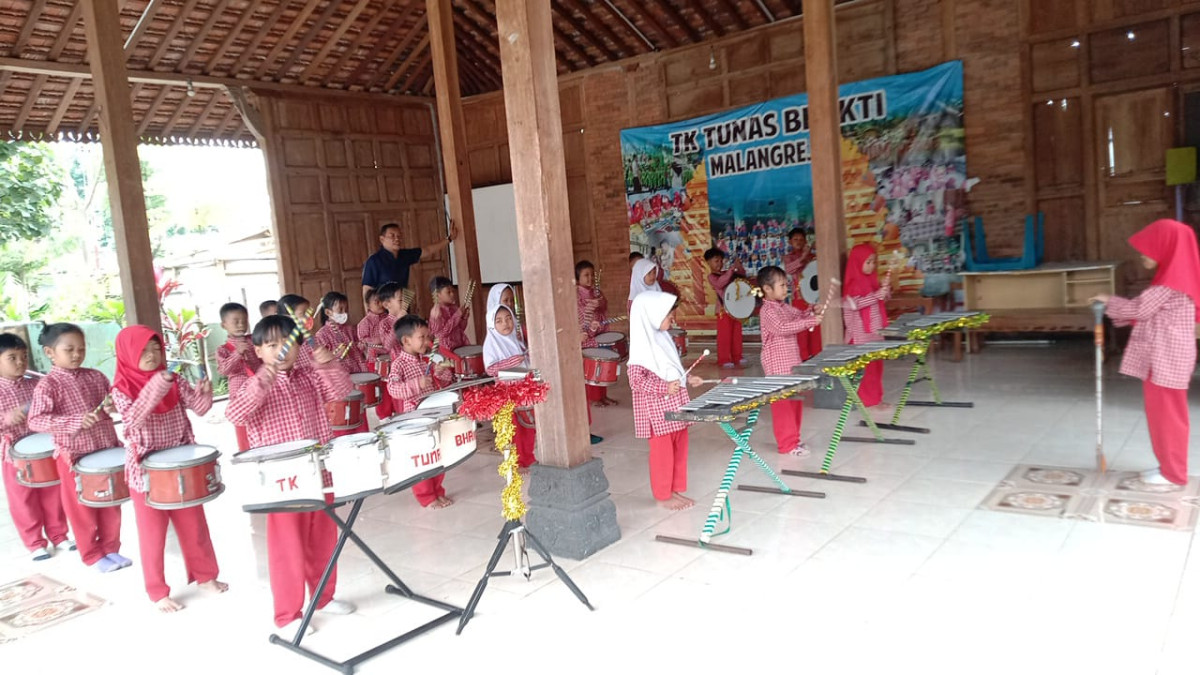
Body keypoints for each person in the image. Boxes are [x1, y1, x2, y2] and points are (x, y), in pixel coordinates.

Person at [225, 315, 356, 637]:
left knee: (323, 538)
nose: (282, 350)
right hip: (282, 479)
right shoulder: (248, 381)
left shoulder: (308, 374)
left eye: (288, 343)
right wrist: (265, 377)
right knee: (288, 548)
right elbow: (236, 413)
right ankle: (287, 614)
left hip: (317, 469)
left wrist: (328, 365)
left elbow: (343, 390)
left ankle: (323, 598)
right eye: (272, 345)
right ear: (258, 351)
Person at [111, 326, 227, 612]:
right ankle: (157, 591)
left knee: (194, 525)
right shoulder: (120, 388)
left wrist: (204, 393)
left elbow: (198, 409)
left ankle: (205, 577)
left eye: (156, 349)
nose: (151, 356)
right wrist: (157, 385)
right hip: (146, 472)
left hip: (182, 466)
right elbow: (133, 420)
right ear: (128, 354)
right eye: (143, 351)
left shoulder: (172, 379)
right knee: (152, 534)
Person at [1091, 219, 1200, 487]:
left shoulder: (1170, 285)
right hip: (1163, 360)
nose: (1141, 254)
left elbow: (1138, 310)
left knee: (1168, 417)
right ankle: (1167, 466)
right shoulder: (1173, 280)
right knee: (1161, 415)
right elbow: (1145, 314)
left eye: (1148, 248)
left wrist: (1107, 299)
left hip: (1167, 362)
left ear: (1167, 248)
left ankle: (1173, 473)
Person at [28, 323, 129, 573]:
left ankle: (111, 548)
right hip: (73, 456)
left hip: (105, 450)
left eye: (81, 349)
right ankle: (92, 555)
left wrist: (111, 406)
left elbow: (111, 404)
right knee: (81, 508)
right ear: (50, 352)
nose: (76, 354)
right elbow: (36, 420)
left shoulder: (96, 376)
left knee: (110, 502)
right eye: (69, 349)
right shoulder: (47, 385)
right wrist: (74, 421)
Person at [628, 292, 703, 511]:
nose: (673, 319)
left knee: (680, 448)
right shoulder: (641, 348)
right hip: (657, 413)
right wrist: (663, 387)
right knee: (663, 455)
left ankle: (674, 488)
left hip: (676, 406)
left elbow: (673, 369)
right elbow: (635, 382)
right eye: (668, 315)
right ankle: (663, 494)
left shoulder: (664, 339)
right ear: (651, 316)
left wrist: (688, 378)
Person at [0, 334, 71, 562]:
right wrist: (6, 418)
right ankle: (34, 543)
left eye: (24, 356)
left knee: (53, 492)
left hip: (44, 448)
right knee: (23, 498)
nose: (20, 362)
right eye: (12, 358)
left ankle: (59, 535)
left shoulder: (37, 383)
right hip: (14, 454)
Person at [385, 316, 455, 508]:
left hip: (433, 413)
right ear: (406, 341)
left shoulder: (427, 360)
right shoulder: (398, 364)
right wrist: (417, 384)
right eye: (422, 337)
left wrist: (441, 371)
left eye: (428, 336)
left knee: (437, 454)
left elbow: (445, 380)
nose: (427, 341)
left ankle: (438, 491)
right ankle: (426, 496)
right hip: (415, 419)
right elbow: (393, 389)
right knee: (422, 458)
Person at [757, 266, 824, 456]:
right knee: (783, 406)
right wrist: (810, 322)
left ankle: (794, 440)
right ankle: (787, 445)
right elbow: (782, 327)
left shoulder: (784, 307)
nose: (786, 288)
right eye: (781, 285)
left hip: (791, 364)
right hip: (776, 367)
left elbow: (799, 315)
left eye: (786, 284)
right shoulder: (767, 311)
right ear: (767, 289)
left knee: (794, 402)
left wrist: (812, 310)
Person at [483, 304, 536, 469]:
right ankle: (515, 462)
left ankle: (528, 458)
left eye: (508, 319)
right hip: (507, 393)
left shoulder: (517, 341)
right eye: (499, 321)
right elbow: (491, 369)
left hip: (523, 391)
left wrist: (538, 381)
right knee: (513, 430)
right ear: (492, 325)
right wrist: (512, 362)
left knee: (529, 427)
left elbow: (529, 365)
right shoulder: (491, 344)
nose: (505, 323)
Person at [361, 221, 459, 306]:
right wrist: (370, 318)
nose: (397, 239)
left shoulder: (404, 255)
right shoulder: (373, 261)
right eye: (392, 236)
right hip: (383, 309)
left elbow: (427, 250)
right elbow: (367, 290)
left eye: (399, 236)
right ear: (382, 239)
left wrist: (449, 239)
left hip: (402, 306)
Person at [842, 243, 892, 409]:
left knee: (877, 367)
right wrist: (877, 295)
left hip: (875, 332)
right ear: (857, 262)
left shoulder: (871, 281)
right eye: (868, 262)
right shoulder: (852, 283)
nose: (872, 266)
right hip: (860, 335)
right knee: (867, 371)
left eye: (873, 262)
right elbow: (854, 304)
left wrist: (885, 291)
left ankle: (877, 398)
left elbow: (879, 301)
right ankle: (869, 402)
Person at [217, 302, 260, 452]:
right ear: (224, 325)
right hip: (240, 396)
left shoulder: (255, 341)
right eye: (235, 321)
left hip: (259, 391)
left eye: (244, 320)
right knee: (244, 430)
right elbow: (223, 370)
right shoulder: (223, 350)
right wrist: (237, 354)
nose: (241, 324)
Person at [577, 260, 617, 411]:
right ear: (578, 278)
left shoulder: (596, 291)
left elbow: (604, 304)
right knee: (594, 366)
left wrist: (599, 303)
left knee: (604, 364)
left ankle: (603, 395)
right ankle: (594, 398)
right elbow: (580, 314)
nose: (590, 278)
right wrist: (589, 326)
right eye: (586, 275)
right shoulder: (576, 295)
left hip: (601, 332)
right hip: (587, 336)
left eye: (592, 275)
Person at [783, 228, 821, 360]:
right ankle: (803, 357)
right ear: (790, 242)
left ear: (805, 241)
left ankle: (817, 354)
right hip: (798, 299)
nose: (798, 242)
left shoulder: (813, 257)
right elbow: (789, 269)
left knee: (815, 327)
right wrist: (803, 256)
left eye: (801, 239)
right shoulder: (788, 257)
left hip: (813, 300)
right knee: (801, 330)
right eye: (795, 239)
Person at [704, 247, 746, 368]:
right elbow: (720, 283)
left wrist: (739, 266)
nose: (720, 263)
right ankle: (724, 359)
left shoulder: (727, 273)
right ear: (709, 263)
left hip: (735, 309)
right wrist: (732, 269)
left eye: (721, 261)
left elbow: (742, 276)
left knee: (737, 334)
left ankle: (737, 356)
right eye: (716, 261)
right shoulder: (712, 276)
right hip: (723, 310)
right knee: (724, 336)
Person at [316, 291, 368, 375]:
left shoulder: (350, 329)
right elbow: (320, 360)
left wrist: (361, 346)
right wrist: (334, 354)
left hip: (359, 371)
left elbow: (358, 348)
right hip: (340, 376)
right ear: (328, 312)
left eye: (346, 309)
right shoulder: (322, 335)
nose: (344, 313)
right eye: (340, 309)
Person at [428, 276, 471, 369]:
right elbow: (441, 334)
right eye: (448, 292)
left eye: (453, 291)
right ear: (437, 294)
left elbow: (460, 329)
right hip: (446, 351)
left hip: (459, 346)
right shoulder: (436, 312)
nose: (452, 294)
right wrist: (457, 315)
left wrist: (464, 318)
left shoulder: (454, 308)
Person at [357, 289, 387, 366]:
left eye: (382, 301)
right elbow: (363, 341)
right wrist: (379, 339)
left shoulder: (389, 319)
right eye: (377, 302)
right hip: (374, 353)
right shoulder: (365, 322)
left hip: (389, 350)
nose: (381, 304)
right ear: (368, 305)